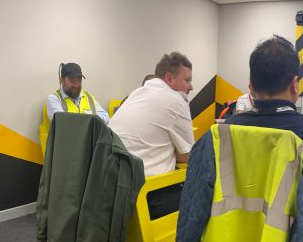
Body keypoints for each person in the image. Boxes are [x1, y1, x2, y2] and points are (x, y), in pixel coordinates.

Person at [219, 35, 303, 199]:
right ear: (294, 85)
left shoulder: (225, 129)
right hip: (298, 224)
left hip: (234, 222)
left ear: (251, 86)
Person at [109, 52, 195, 219]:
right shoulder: (177, 101)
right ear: (169, 78)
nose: (191, 87)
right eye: (187, 80)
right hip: (147, 198)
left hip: (113, 194)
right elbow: (186, 156)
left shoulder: (135, 94)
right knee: (206, 192)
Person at [39, 62, 110, 151]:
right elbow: (63, 126)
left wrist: (85, 124)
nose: (76, 85)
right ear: (62, 80)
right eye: (72, 81)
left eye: (79, 80)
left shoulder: (89, 97)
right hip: (65, 150)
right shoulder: (54, 99)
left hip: (90, 148)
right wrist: (92, 122)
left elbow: (106, 118)